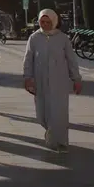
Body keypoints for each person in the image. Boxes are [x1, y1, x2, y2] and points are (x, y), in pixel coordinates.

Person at [23, 9, 82, 152]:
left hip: (59, 81)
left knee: (59, 112)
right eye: (42, 22)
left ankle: (61, 141)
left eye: (48, 22)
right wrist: (27, 78)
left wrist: (76, 79)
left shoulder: (62, 38)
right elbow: (28, 59)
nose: (45, 25)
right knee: (42, 113)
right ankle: (49, 131)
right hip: (40, 80)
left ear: (54, 22)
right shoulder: (34, 38)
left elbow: (71, 60)